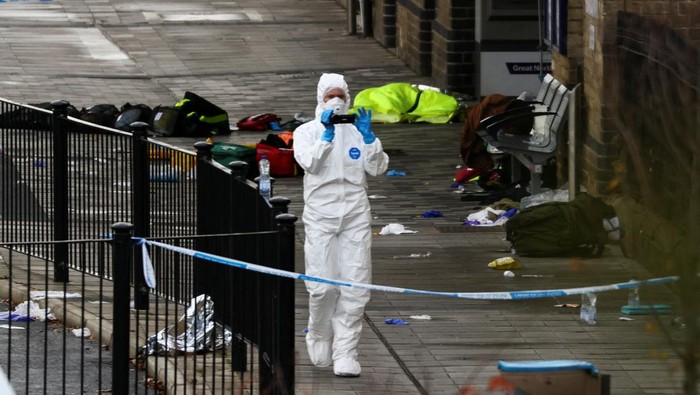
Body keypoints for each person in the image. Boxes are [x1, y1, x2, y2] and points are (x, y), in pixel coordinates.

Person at [293, 73, 389, 377]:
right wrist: (325, 136)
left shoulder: (358, 132)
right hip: (321, 213)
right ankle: (319, 333)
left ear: (348, 98)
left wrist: (370, 139)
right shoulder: (306, 132)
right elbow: (310, 164)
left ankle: (346, 351)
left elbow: (377, 168)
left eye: (341, 96)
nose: (336, 102)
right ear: (320, 99)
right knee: (322, 286)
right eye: (329, 96)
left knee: (356, 286)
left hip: (355, 214)